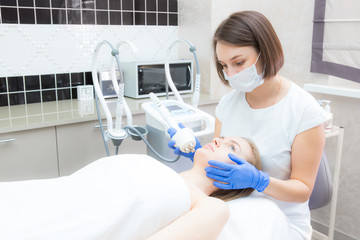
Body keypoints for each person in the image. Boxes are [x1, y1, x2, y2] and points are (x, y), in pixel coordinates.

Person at [168, 11, 328, 240]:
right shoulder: (228, 105)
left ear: (266, 51)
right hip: (234, 204)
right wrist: (196, 152)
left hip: (279, 219)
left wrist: (259, 180)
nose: (231, 74)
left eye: (239, 62)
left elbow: (302, 191)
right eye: (224, 65)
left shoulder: (304, 111)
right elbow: (222, 163)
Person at [0, 136, 261, 240]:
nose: (218, 139)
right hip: (41, 200)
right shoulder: (158, 168)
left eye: (232, 147)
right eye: (222, 137)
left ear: (241, 175)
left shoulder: (210, 206)